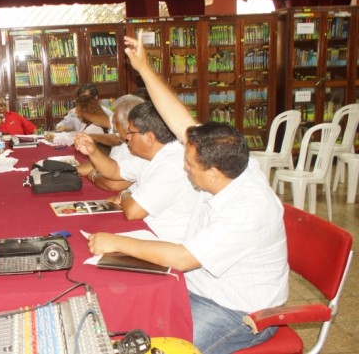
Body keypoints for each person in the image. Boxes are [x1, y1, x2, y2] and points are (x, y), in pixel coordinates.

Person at [88, 30, 288, 353]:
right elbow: (181, 120)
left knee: (159, 347)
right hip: (199, 288)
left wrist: (114, 242)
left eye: (190, 165)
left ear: (213, 172)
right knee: (127, 322)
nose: (185, 168)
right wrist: (143, 68)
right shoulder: (235, 165)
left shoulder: (248, 210)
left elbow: (182, 258)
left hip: (238, 312)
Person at [77, 101, 199, 243]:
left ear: (149, 137)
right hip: (148, 231)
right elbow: (115, 170)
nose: (127, 137)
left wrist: (124, 194)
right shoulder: (151, 152)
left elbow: (133, 211)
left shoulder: (171, 164)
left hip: (169, 242)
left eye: (131, 132)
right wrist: (92, 151)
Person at [75, 94, 148, 192]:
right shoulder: (124, 140)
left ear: (128, 123)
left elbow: (113, 184)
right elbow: (107, 165)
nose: (113, 126)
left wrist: (93, 174)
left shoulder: (141, 148)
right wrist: (70, 170)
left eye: (115, 122)